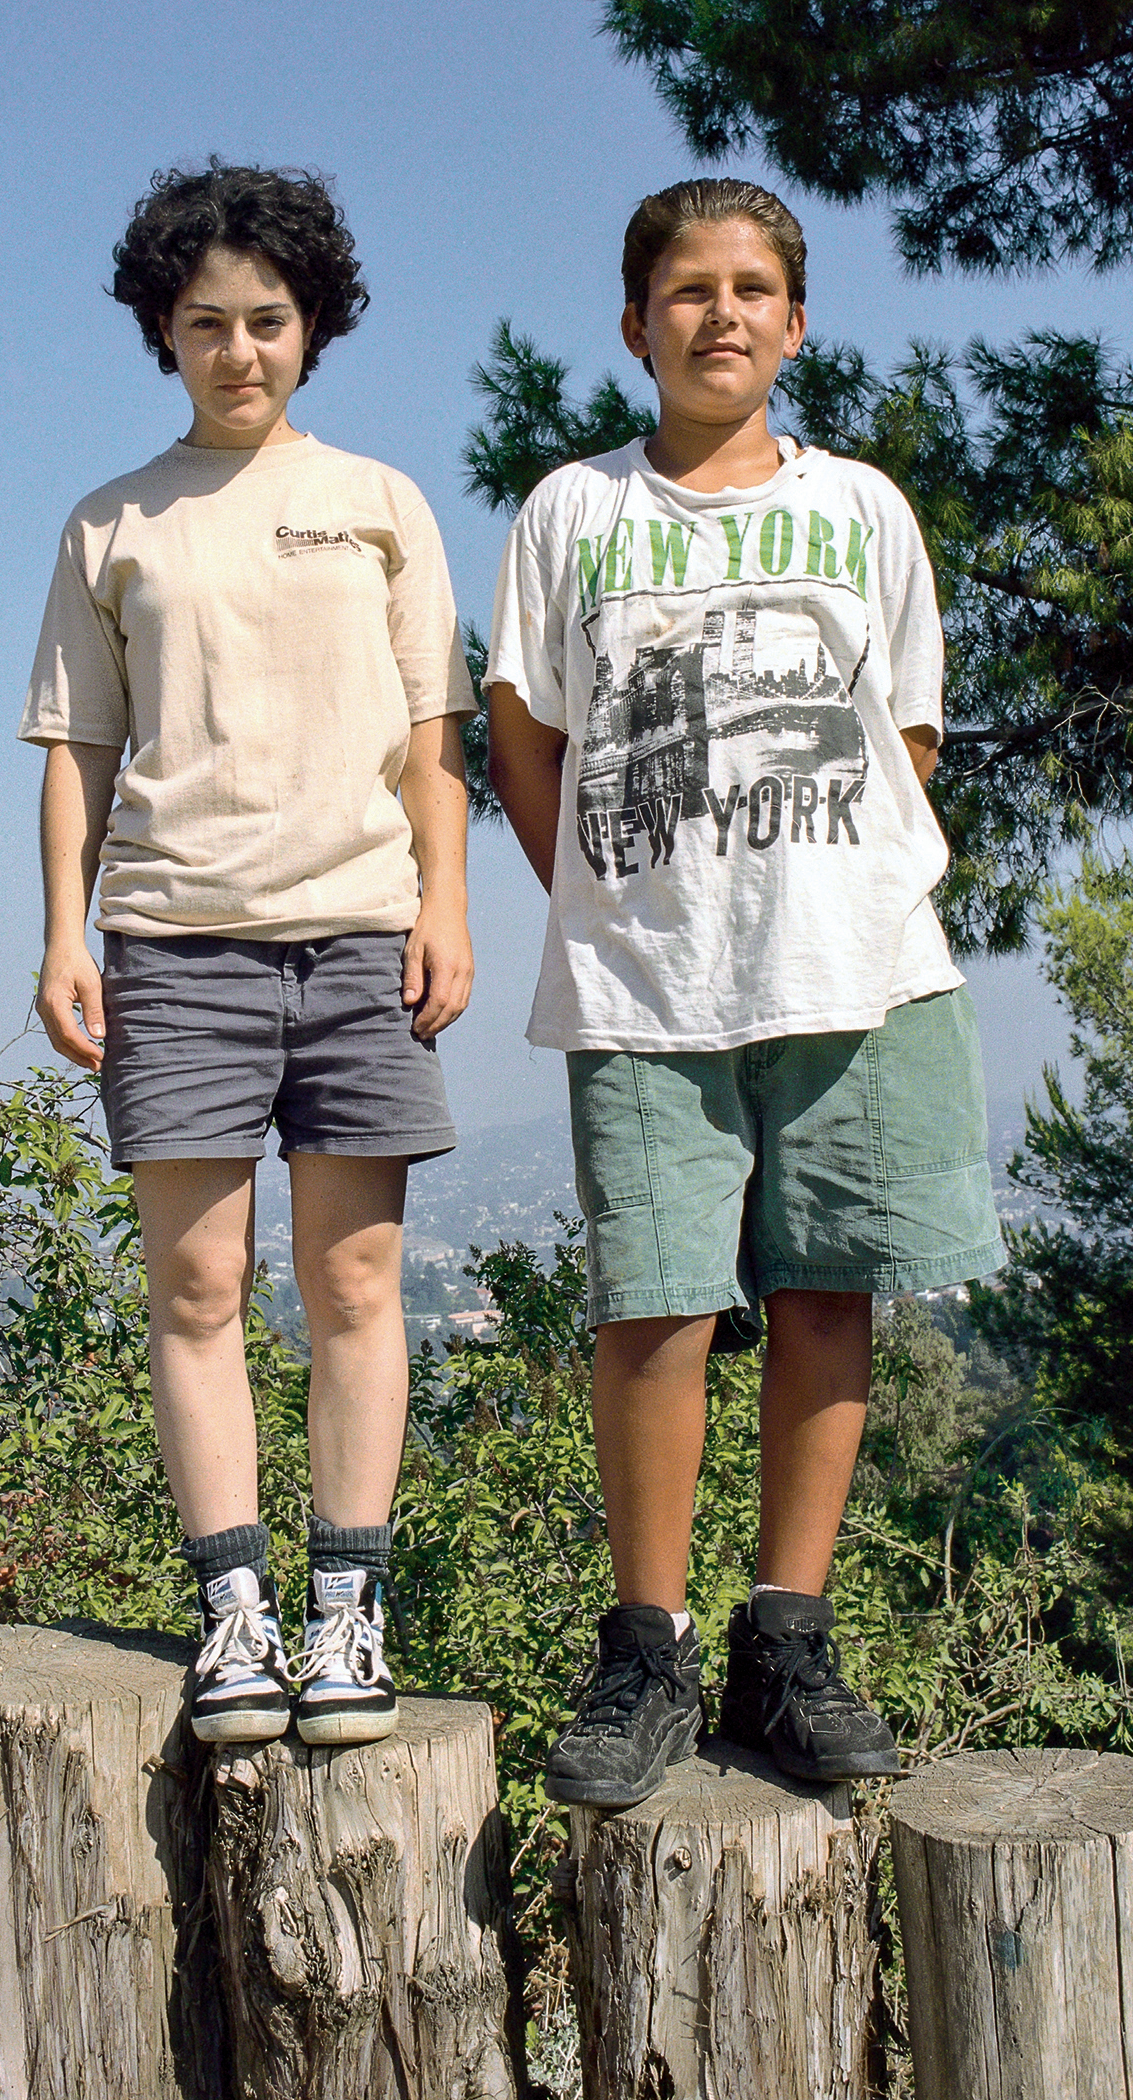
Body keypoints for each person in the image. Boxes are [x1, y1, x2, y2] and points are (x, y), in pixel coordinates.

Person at [485, 178, 1003, 1807]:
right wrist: (624, 888)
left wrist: (817, 877)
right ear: (635, 324)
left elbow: (902, 736)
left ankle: (787, 1633)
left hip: (854, 968)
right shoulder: (572, 511)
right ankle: (643, 1644)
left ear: (795, 318)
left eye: (752, 286)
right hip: (646, 975)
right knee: (650, 1306)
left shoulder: (861, 509)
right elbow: (525, 737)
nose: (719, 312)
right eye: (686, 289)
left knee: (826, 1291)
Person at [21, 160, 475, 1747]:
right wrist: (62, 935)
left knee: (357, 1280)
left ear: (314, 325)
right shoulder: (113, 521)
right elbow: (77, 746)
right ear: (162, 328)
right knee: (198, 1284)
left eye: (268, 320)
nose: (239, 350)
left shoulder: (381, 501)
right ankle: (236, 1610)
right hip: (174, 940)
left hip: (356, 932)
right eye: (205, 322)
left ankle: (350, 1606)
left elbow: (435, 743)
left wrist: (445, 904)